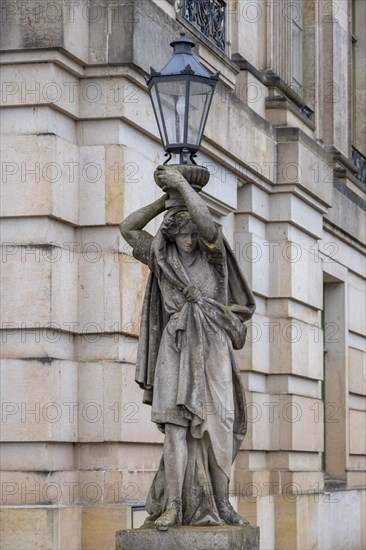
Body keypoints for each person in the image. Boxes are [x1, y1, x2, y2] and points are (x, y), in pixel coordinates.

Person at [119, 165, 256, 530]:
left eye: (193, 233)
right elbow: (128, 229)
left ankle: (223, 504)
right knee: (175, 427)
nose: (190, 239)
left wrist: (182, 185)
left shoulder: (214, 256)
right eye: (182, 234)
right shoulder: (161, 260)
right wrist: (162, 202)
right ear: (171, 234)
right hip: (175, 347)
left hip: (212, 347)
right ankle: (174, 506)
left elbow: (210, 227)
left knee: (220, 426)